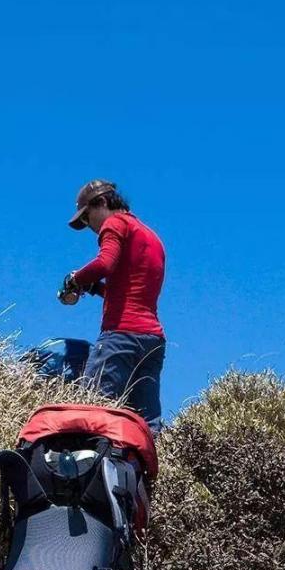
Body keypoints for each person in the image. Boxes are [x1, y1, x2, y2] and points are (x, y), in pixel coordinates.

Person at [60, 180, 165, 434]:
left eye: (87, 217)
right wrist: (95, 288)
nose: (89, 226)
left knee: (94, 407)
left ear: (103, 202)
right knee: (145, 424)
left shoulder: (115, 224)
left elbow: (105, 262)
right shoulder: (151, 237)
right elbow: (132, 294)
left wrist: (76, 279)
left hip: (121, 336)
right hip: (151, 340)